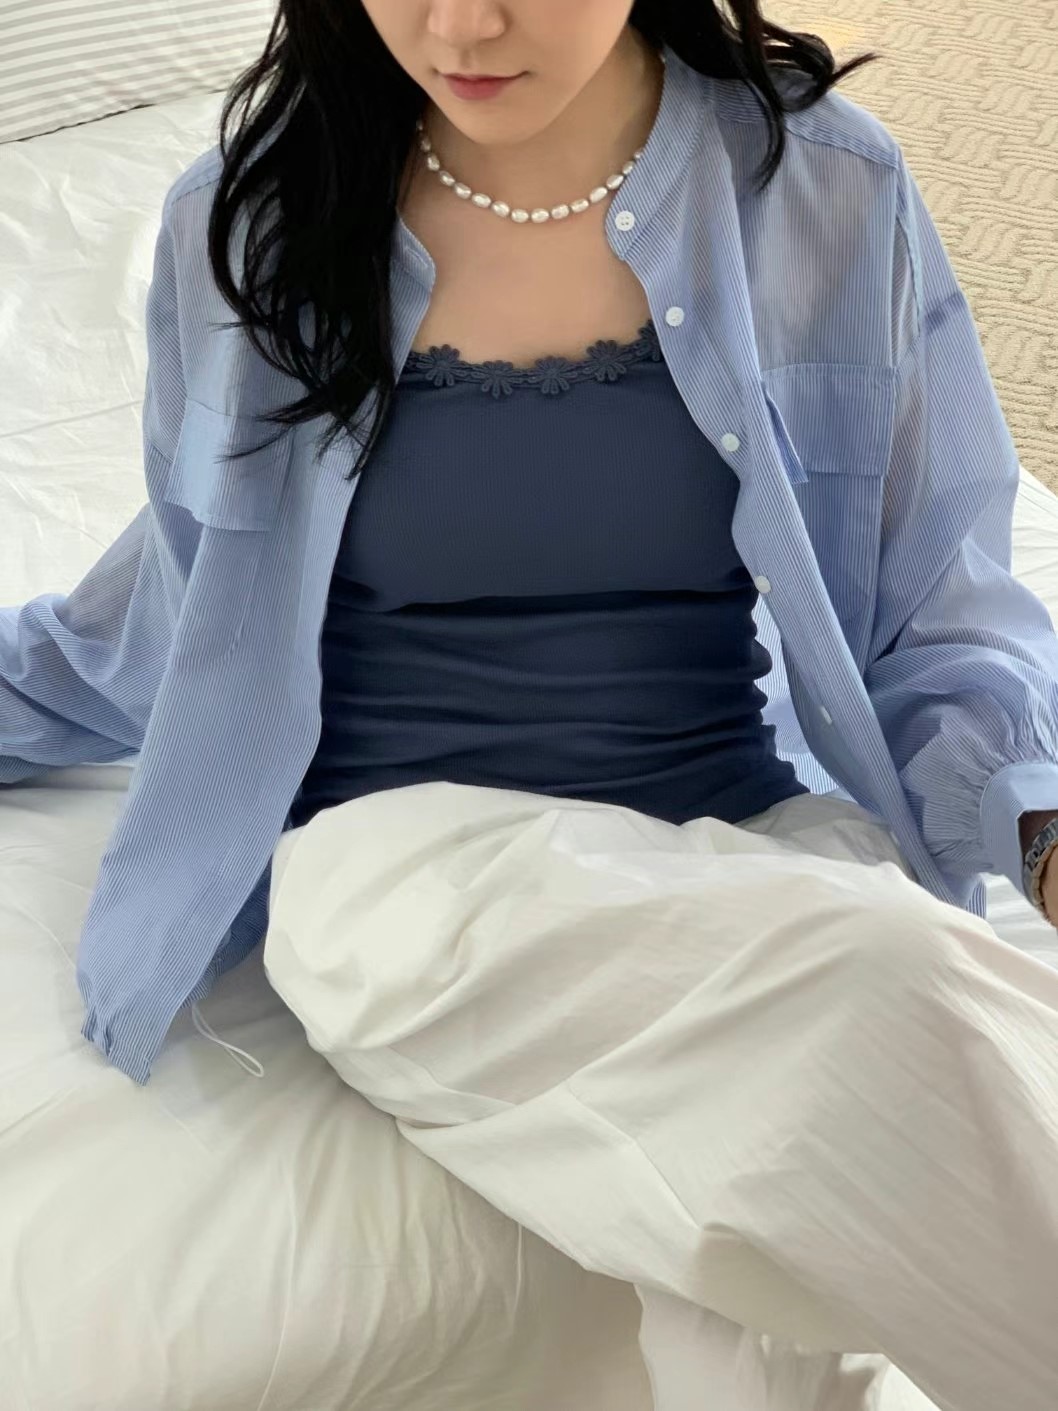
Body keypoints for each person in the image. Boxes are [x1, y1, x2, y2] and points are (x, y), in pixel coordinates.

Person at [3, 3, 1058, 1408]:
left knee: (770, 1263)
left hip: (743, 838)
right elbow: (176, 617)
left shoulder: (819, 187)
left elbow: (932, 605)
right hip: (406, 879)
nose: (463, 23)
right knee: (897, 982)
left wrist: (1038, 826)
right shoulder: (260, 220)